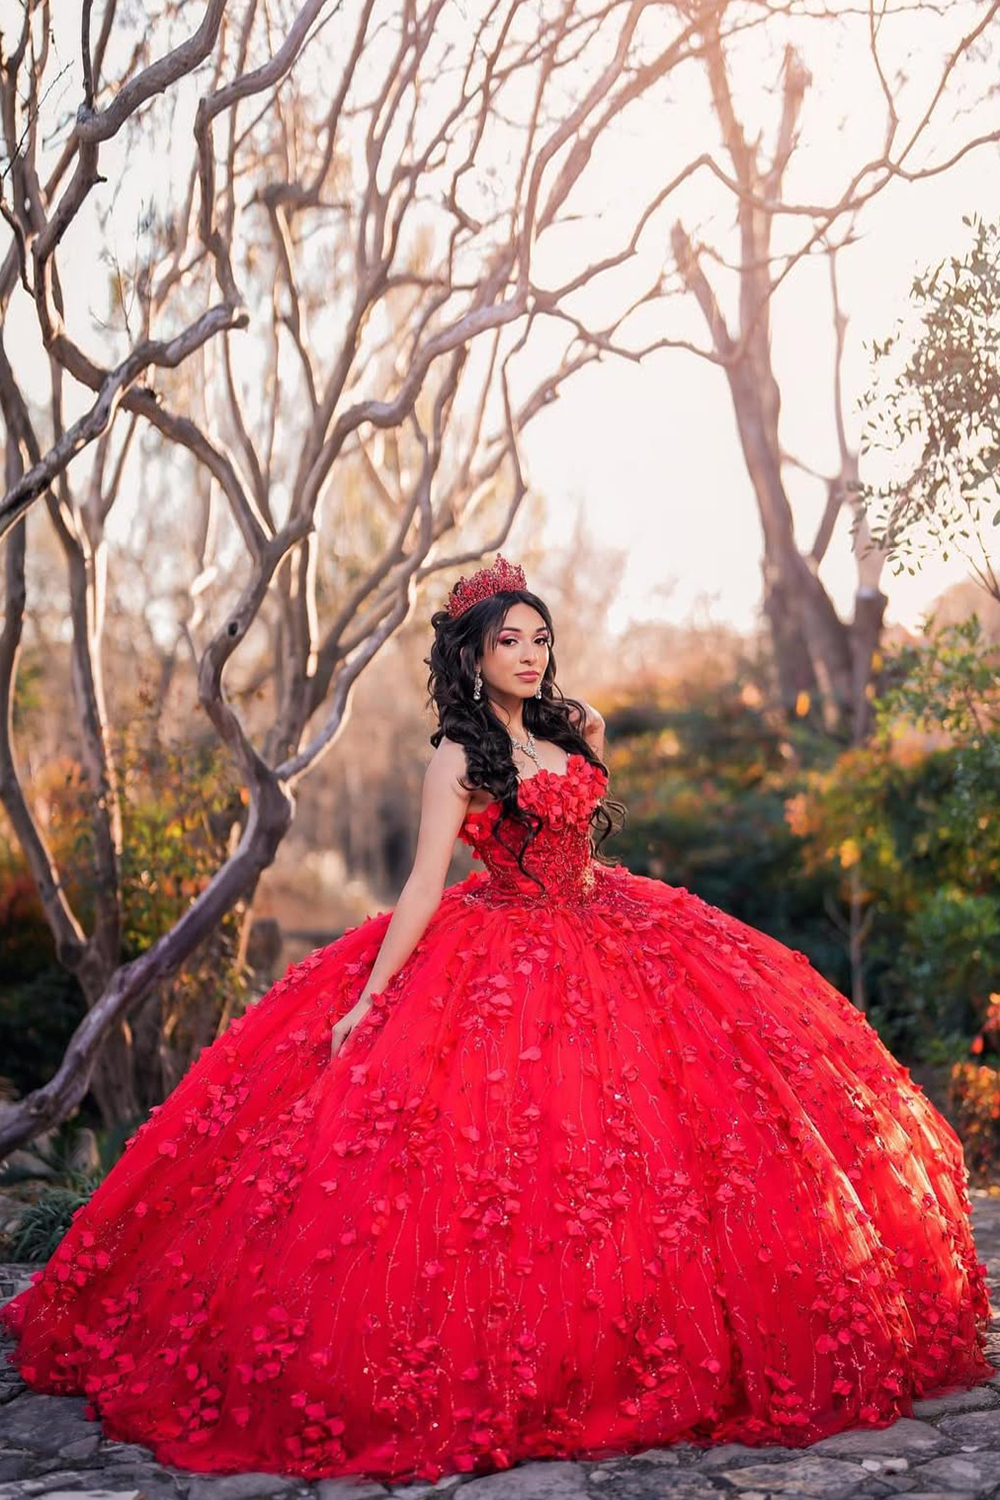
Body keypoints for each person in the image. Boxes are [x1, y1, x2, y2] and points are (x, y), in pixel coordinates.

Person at [1, 555, 994, 1485]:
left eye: (537, 638)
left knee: (672, 1138)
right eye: (508, 640)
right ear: (472, 654)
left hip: (608, 924)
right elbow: (425, 887)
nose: (529, 654)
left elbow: (585, 808)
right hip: (499, 945)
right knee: (504, 1161)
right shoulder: (455, 757)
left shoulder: (570, 729)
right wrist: (367, 999)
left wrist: (581, 773)